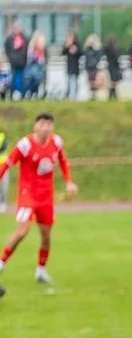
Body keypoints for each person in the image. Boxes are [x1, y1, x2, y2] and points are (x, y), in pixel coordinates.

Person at [0, 114, 78, 284]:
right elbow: (7, 164)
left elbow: (63, 161)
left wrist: (68, 181)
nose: (46, 127)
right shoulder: (25, 144)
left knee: (46, 236)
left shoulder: (56, 142)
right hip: (27, 194)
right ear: (35, 126)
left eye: (49, 124)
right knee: (22, 231)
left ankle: (41, 271)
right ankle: (1, 262)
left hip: (46, 196)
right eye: (42, 124)